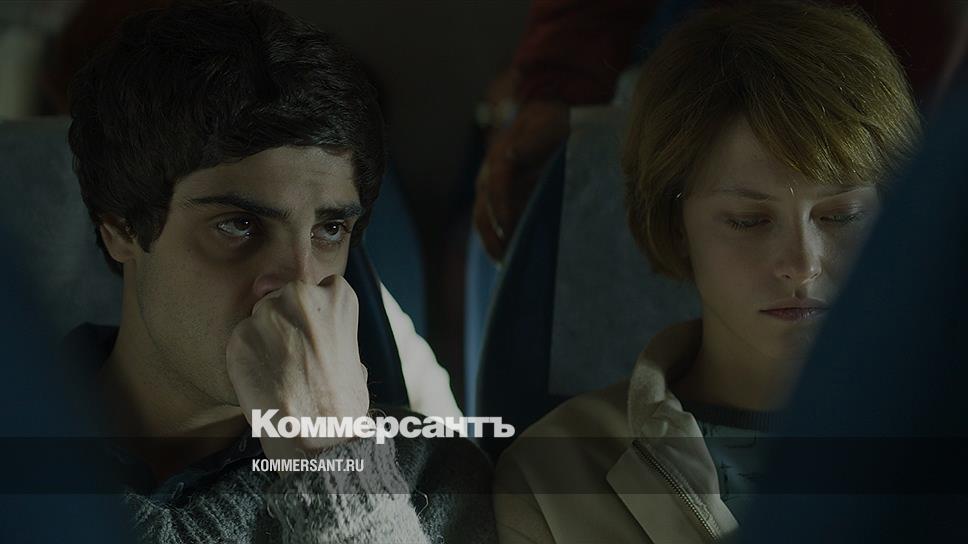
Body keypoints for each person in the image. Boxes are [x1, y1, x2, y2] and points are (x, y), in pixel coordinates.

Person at [65, 1, 493, 542]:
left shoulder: (432, 478)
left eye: (330, 230)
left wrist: (333, 458)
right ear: (121, 229)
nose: (298, 282)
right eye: (239, 225)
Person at [493, 2, 921, 542]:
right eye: (748, 221)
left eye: (842, 216)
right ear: (676, 227)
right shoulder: (555, 476)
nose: (803, 264)